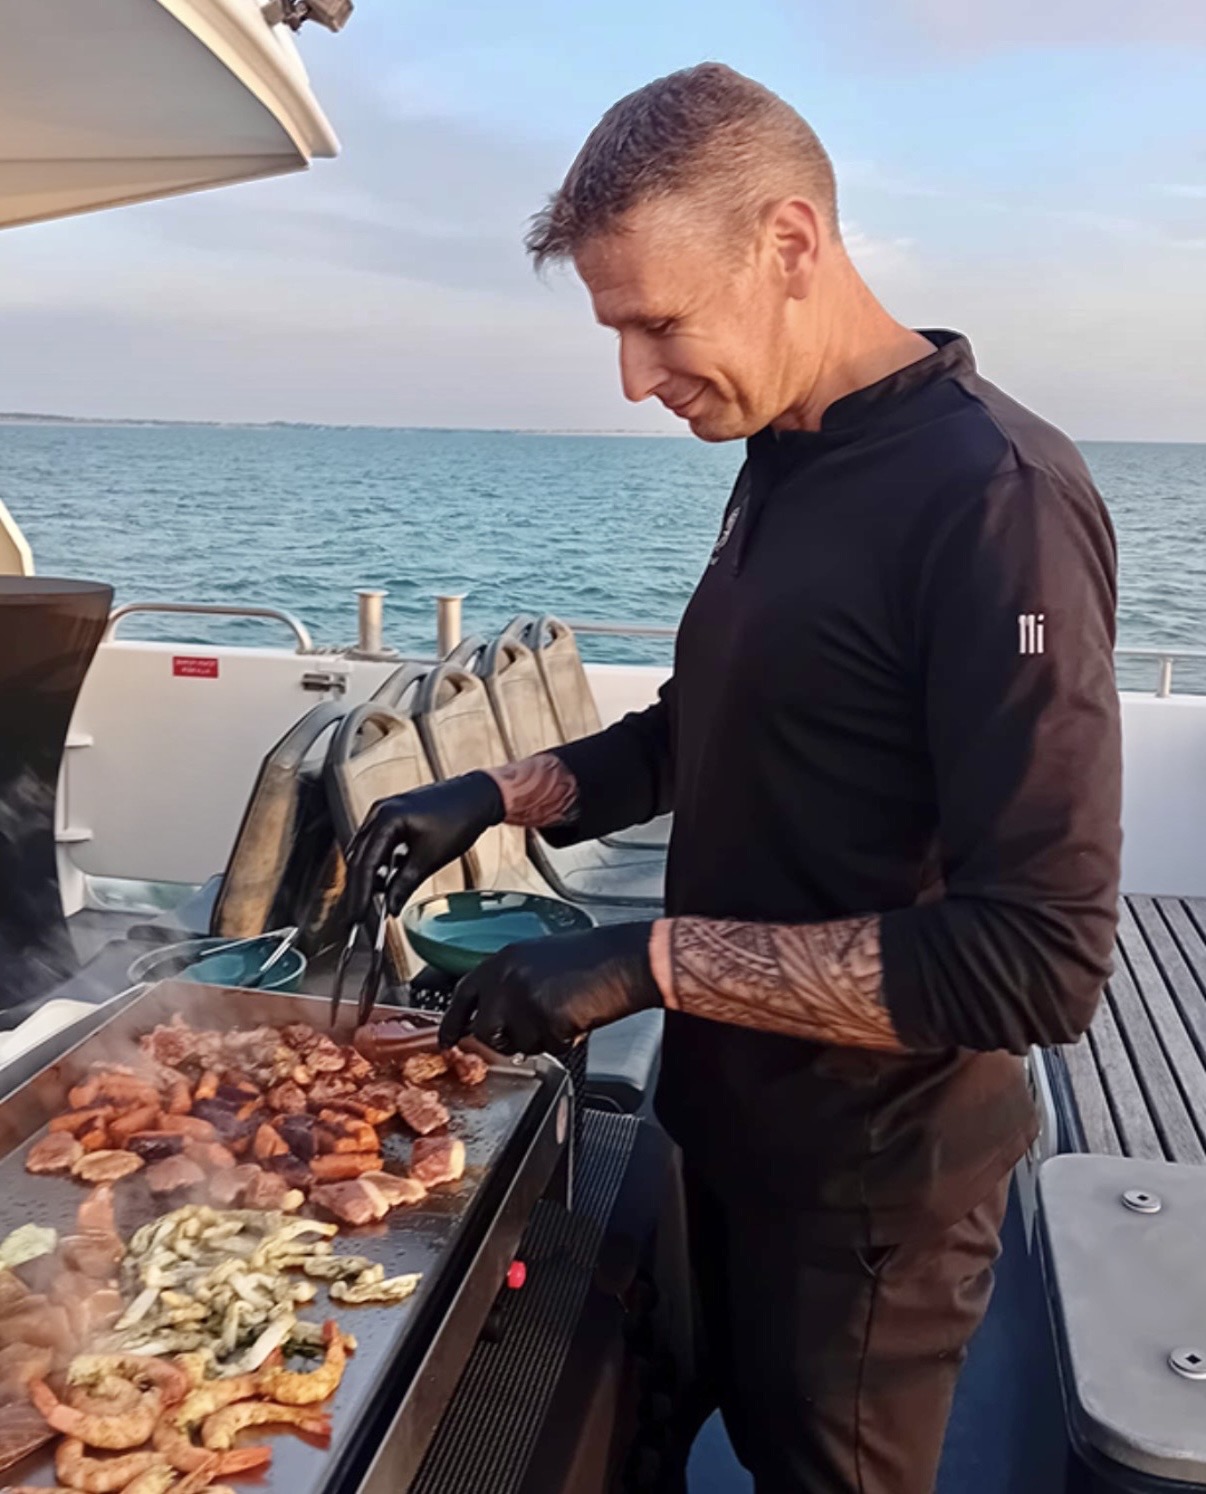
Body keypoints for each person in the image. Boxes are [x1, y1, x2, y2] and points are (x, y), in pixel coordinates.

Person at [346, 63, 1122, 1494]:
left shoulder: (997, 503)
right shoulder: (782, 447)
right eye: (615, 330)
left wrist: (643, 960)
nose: (634, 377)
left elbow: (1036, 962)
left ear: (788, 243)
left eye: (657, 322)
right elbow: (694, 731)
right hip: (717, 1126)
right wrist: (490, 795)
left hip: (867, 1194)